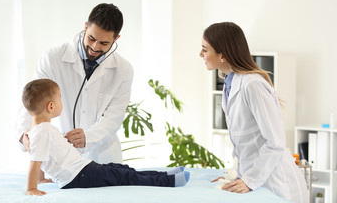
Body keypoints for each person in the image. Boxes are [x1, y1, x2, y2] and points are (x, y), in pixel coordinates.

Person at [22, 79, 190, 196]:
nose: (61, 102)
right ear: (51, 106)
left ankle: (165, 174)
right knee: (125, 176)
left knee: (123, 170)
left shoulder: (41, 130)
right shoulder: (42, 132)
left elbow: (43, 156)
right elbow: (35, 161)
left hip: (82, 170)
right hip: (78, 176)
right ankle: (170, 181)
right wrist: (32, 188)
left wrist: (43, 178)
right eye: (59, 99)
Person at [200, 22, 308, 203]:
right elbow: (245, 145)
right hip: (256, 179)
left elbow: (275, 142)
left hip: (277, 182)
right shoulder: (230, 83)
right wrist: (237, 178)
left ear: (222, 55)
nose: (200, 54)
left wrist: (249, 181)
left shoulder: (252, 84)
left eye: (205, 49)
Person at [16, 3, 133, 164]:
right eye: (91, 38)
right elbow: (32, 100)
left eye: (104, 43)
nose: (94, 47)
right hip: (61, 157)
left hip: (102, 157)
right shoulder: (53, 59)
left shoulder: (123, 70)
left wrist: (89, 137)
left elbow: (114, 118)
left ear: (115, 39)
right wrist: (24, 133)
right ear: (85, 27)